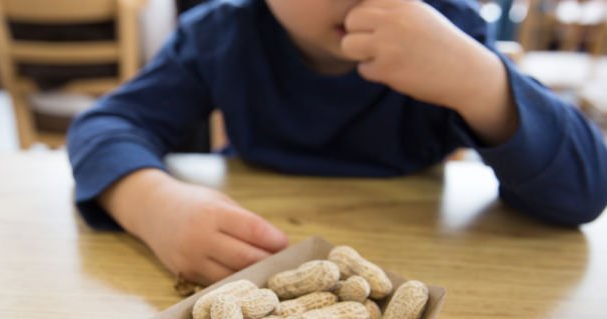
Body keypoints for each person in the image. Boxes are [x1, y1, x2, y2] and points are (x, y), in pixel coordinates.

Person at [67, 0, 607, 286]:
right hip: (252, 260)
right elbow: (106, 126)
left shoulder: (454, 28)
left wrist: (483, 84)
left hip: (434, 275)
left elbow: (584, 191)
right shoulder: (218, 35)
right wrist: (152, 204)